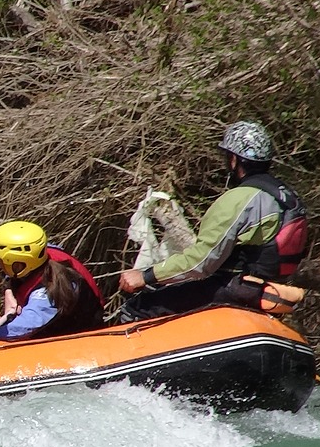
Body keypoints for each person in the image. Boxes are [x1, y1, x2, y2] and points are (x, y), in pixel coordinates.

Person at [117, 121, 309, 321]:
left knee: (138, 308)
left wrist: (146, 276)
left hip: (235, 289)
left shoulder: (240, 199)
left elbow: (201, 262)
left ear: (234, 160)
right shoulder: (287, 197)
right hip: (268, 289)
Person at [0, 221, 103, 340]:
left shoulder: (48, 289)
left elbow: (22, 328)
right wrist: (9, 290)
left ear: (19, 265)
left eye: (2, 261)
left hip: (83, 340)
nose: (0, 265)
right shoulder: (42, 255)